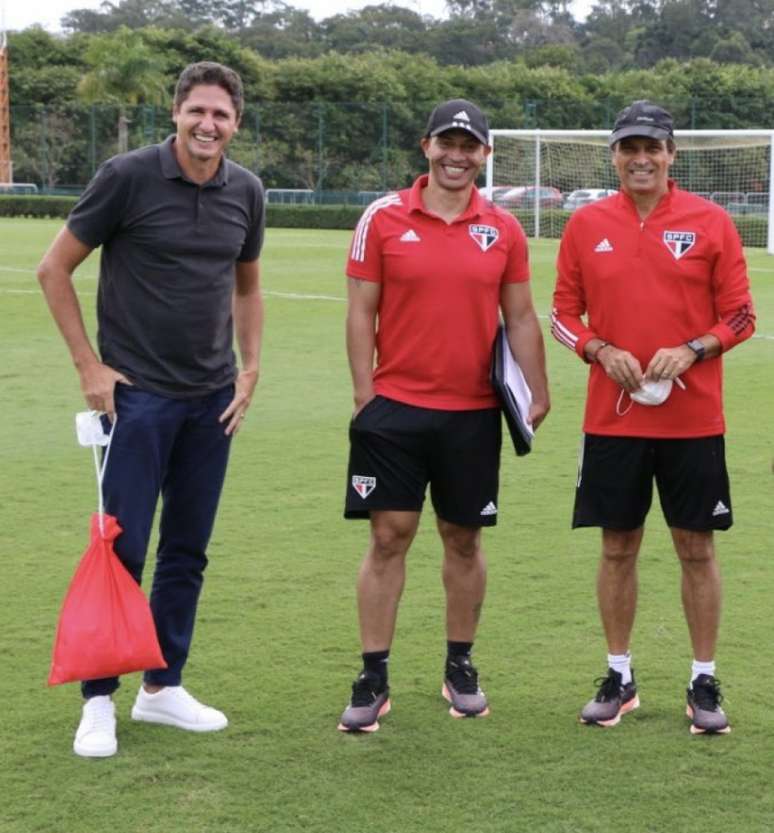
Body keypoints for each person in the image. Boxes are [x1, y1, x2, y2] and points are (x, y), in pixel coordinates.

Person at [37, 61, 265, 757]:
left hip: (211, 403)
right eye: (197, 111)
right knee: (122, 548)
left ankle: (162, 688)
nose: (208, 124)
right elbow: (53, 268)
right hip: (136, 401)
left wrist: (249, 367)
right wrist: (88, 365)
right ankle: (99, 700)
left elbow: (247, 286)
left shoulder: (246, 191)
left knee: (187, 552)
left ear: (236, 123)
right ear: (176, 113)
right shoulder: (127, 177)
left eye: (221, 115)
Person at [338, 98, 550, 732]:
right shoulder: (381, 217)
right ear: (426, 146)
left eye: (470, 145)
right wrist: (364, 394)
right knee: (388, 536)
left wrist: (537, 390)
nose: (457, 154)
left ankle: (460, 666)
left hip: (473, 413)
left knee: (463, 538)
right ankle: (373, 676)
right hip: (395, 409)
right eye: (447, 143)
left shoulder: (504, 229)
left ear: (485, 154)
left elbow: (519, 316)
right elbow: (359, 312)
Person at [551, 100, 755, 735]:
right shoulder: (585, 224)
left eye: (652, 147)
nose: (641, 158)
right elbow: (563, 313)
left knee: (697, 547)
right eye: (629, 147)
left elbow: (743, 316)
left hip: (693, 420)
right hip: (612, 422)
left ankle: (702, 680)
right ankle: (619, 676)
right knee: (617, 547)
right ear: (614, 154)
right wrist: (599, 349)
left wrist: (692, 348)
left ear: (672, 155)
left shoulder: (711, 221)